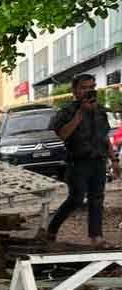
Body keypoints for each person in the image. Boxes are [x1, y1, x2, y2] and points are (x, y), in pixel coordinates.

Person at [41, 74, 121, 248]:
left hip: (98, 161)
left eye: (92, 86)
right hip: (78, 162)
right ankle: (52, 229)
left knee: (97, 199)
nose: (89, 90)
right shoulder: (67, 111)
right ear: (75, 91)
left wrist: (114, 159)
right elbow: (62, 135)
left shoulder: (100, 111)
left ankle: (96, 237)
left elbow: (104, 137)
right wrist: (81, 114)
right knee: (76, 198)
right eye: (84, 87)